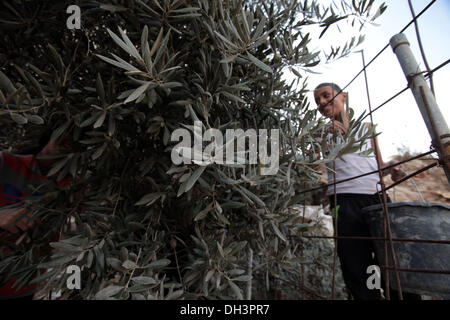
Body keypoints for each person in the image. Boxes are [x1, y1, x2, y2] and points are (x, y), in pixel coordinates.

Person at [313, 82, 421, 300]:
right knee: (354, 261)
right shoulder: (321, 134)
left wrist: (394, 169)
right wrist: (323, 138)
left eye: (326, 96)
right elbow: (313, 166)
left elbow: (379, 167)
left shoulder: (367, 128)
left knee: (393, 256)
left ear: (343, 96)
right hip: (342, 202)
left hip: (376, 197)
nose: (322, 103)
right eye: (318, 101)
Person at [0, 130, 78, 299]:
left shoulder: (72, 189)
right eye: (63, 136)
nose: (67, 142)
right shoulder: (5, 163)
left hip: (20, 287)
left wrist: (74, 287)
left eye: (74, 141)